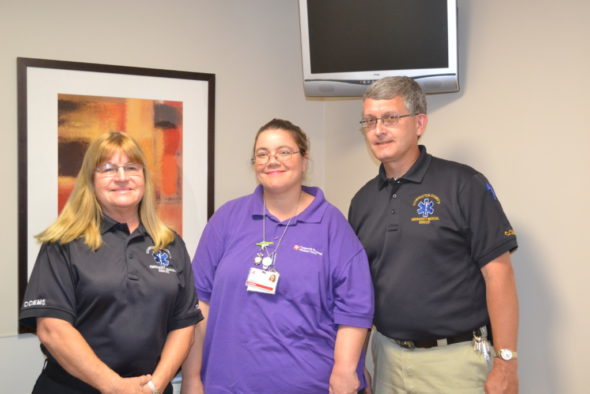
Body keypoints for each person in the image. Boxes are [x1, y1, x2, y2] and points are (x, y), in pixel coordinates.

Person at [348, 77, 519, 394]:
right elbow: (360, 291)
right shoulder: (362, 201)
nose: (378, 129)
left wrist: (506, 361)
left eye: (390, 118)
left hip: (455, 362)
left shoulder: (463, 184)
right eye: (370, 121)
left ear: (419, 123)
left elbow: (499, 273)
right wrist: (356, 365)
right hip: (387, 358)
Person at [181, 118, 374, 394]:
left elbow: (355, 308)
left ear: (305, 160)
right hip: (227, 384)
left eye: (284, 151)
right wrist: (191, 378)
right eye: (262, 154)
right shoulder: (227, 218)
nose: (272, 160)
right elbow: (198, 303)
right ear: (254, 164)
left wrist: (344, 372)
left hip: (308, 384)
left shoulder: (331, 224)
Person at [20, 131, 203, 394]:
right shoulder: (63, 242)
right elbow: (51, 329)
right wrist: (113, 386)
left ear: (144, 178)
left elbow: (184, 324)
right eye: (108, 169)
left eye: (131, 167)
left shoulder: (169, 243)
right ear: (91, 181)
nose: (121, 177)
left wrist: (155, 386)